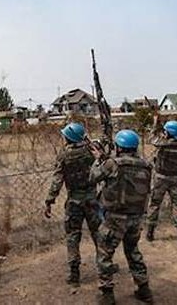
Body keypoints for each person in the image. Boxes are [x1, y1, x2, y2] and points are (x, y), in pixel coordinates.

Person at [90, 129, 153, 305]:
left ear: (118, 147)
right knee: (133, 252)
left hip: (115, 219)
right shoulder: (146, 165)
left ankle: (107, 295)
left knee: (104, 255)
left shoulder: (112, 164)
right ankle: (144, 290)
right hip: (136, 218)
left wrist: (98, 160)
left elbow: (93, 177)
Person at [44, 122, 101, 287]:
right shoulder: (92, 150)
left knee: (73, 236)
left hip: (74, 201)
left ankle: (74, 273)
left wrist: (49, 200)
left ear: (68, 137)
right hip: (92, 199)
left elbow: (57, 180)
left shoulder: (64, 155)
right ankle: (105, 265)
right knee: (98, 234)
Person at [146, 120, 177, 246]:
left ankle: (150, 232)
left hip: (160, 178)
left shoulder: (163, 144)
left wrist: (155, 123)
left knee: (154, 204)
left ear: (168, 133)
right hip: (176, 178)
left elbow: (152, 138)